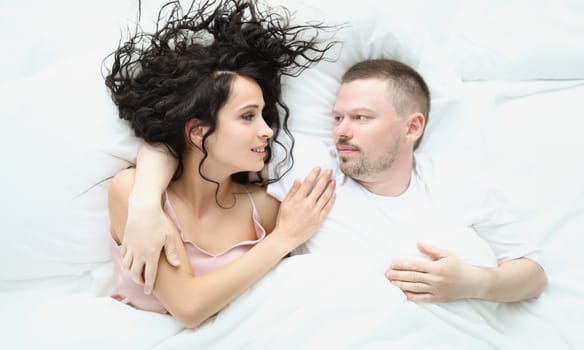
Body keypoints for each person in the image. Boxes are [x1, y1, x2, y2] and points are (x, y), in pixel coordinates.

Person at [122, 58, 548, 303]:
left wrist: (477, 282)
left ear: (412, 127)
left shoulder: (460, 185)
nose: (342, 130)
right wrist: (144, 201)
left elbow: (534, 273)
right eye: (338, 118)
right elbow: (185, 144)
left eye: (361, 118)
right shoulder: (306, 166)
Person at [103, 0, 336, 328]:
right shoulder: (135, 192)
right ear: (198, 132)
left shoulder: (264, 208)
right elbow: (188, 306)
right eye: (247, 116)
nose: (267, 130)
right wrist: (282, 239)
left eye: (263, 115)